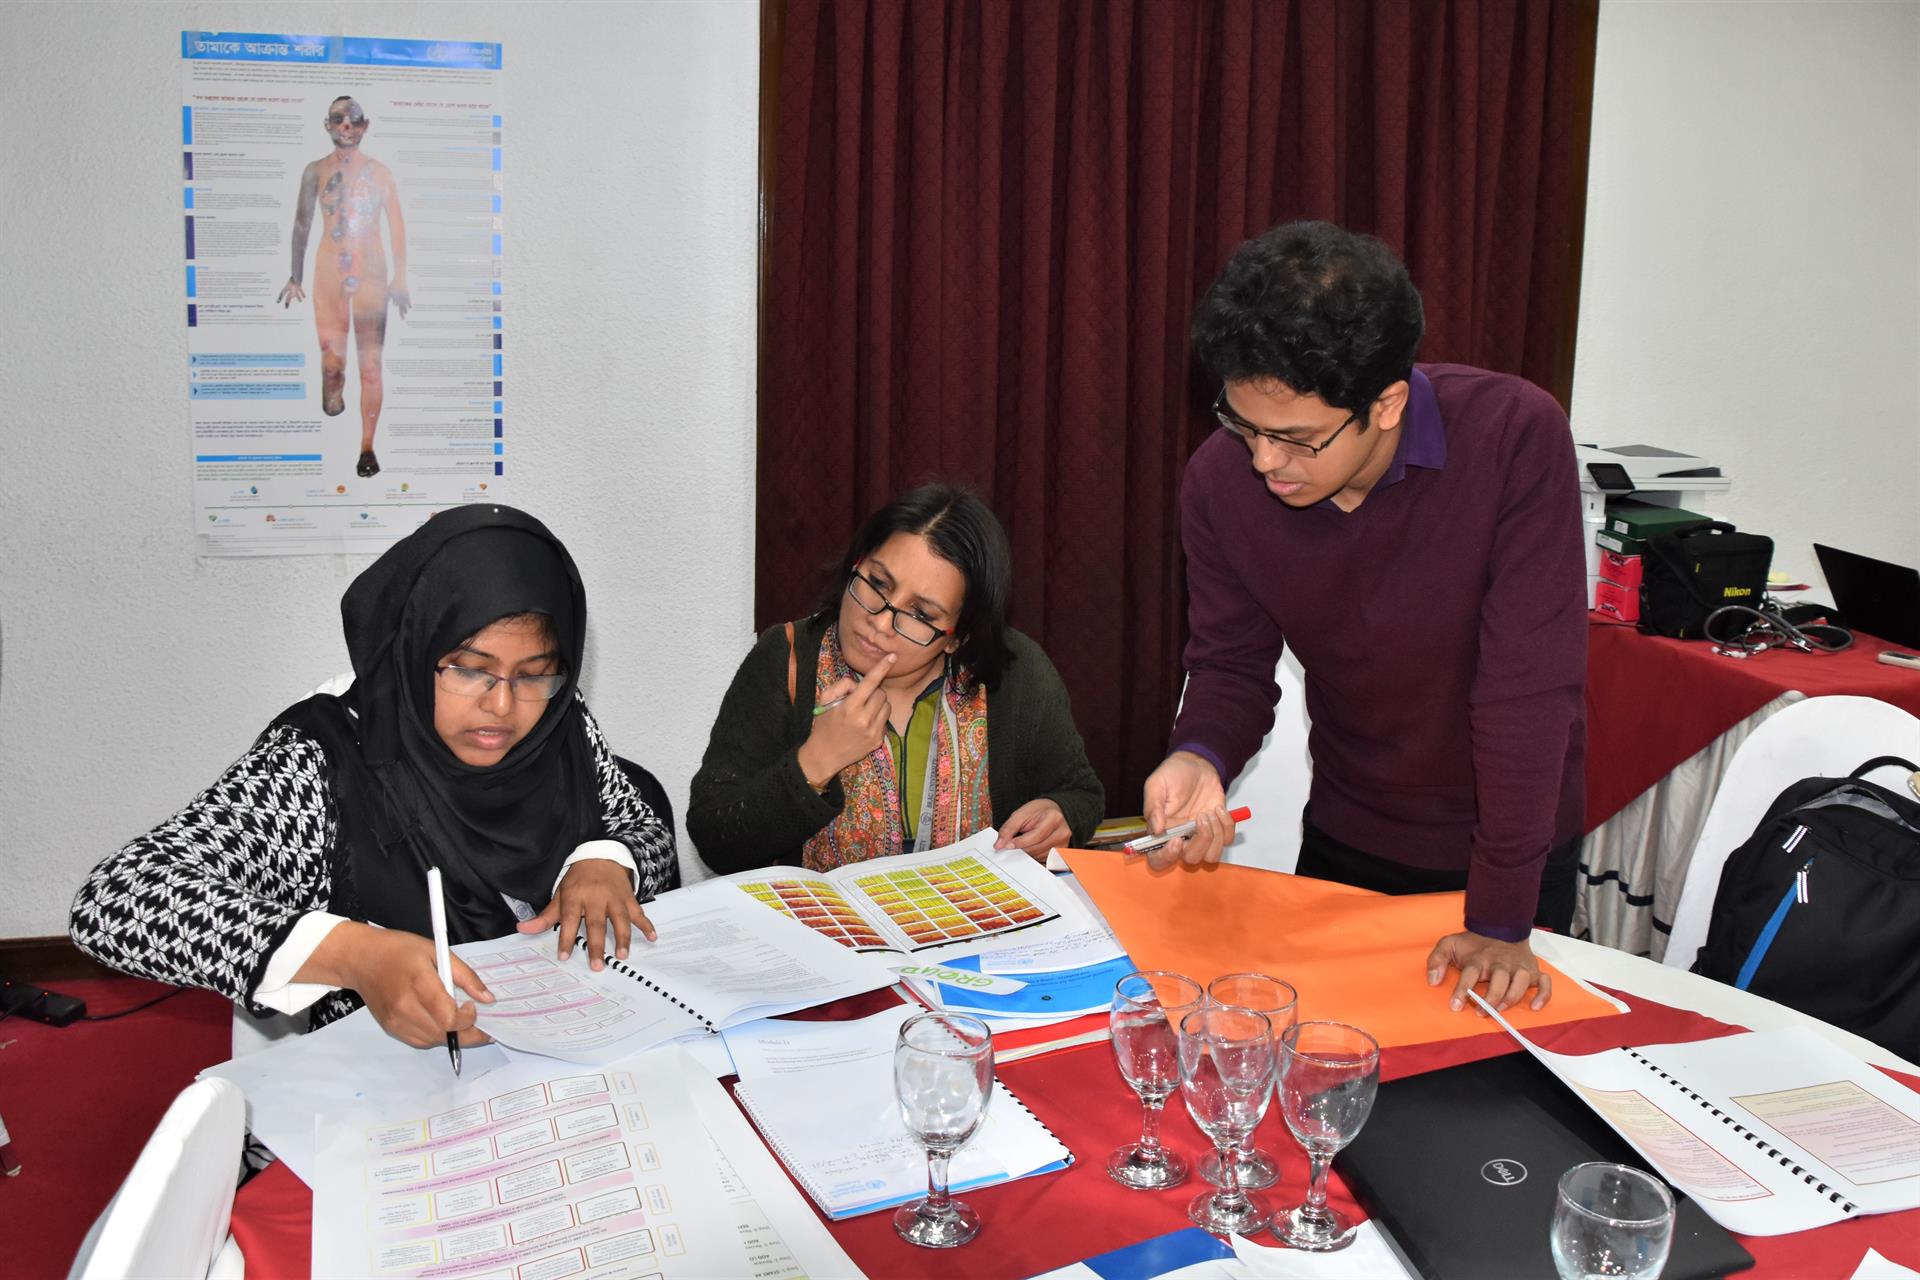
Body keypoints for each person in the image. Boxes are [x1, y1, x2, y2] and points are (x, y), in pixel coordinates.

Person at [1143, 221, 1586, 1014]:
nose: (1265, 461)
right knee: (1323, 1062)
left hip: (1510, 854)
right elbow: (1230, 664)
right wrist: (1199, 755)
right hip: (1349, 831)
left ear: (1387, 404)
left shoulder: (1513, 436)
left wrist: (1500, 917)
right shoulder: (1219, 482)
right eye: (1244, 426)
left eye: (1296, 439)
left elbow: (1526, 693)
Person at [69, 504, 676, 1047]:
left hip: (566, 1045)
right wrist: (357, 957)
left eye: (534, 674)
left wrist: (605, 860)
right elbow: (116, 901)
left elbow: (639, 822)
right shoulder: (324, 758)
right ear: (412, 648)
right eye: (469, 670)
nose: (501, 705)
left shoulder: (560, 723)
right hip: (384, 1074)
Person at [690, 484, 1104, 873]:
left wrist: (1060, 814)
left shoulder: (1016, 672)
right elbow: (714, 838)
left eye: (920, 613)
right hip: (822, 923)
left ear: (957, 637)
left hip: (965, 919)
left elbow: (1081, 793)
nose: (880, 622)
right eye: (877, 583)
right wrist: (818, 759)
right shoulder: (787, 658)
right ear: (856, 563)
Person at [276, 95, 409, 479]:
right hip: (329, 273)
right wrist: (295, 275)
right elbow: (301, 223)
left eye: (353, 120)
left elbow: (397, 225)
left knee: (371, 365)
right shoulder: (315, 171)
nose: (346, 126)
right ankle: (332, 395)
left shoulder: (380, 173)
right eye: (338, 119)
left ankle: (367, 447)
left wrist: (400, 276)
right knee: (332, 364)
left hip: (371, 275)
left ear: (365, 126)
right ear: (328, 125)